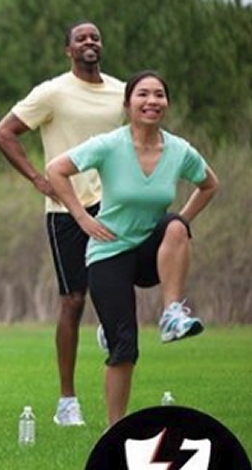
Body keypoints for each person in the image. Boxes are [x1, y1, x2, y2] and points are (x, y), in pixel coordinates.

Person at [47, 70, 216, 425]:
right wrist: (81, 217)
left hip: (152, 254)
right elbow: (56, 169)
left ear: (166, 104)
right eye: (143, 94)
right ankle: (116, 431)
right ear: (127, 105)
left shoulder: (179, 150)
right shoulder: (109, 145)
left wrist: (181, 223)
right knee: (125, 346)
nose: (152, 101)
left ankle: (172, 313)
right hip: (109, 252)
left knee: (175, 225)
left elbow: (209, 185)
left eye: (159, 95)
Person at [0, 20, 124, 427]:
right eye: (81, 38)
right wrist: (37, 179)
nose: (89, 42)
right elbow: (3, 133)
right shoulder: (53, 92)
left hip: (114, 206)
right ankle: (67, 401)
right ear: (69, 50)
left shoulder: (122, 93)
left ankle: (109, 327)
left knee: (116, 288)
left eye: (95, 36)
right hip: (66, 209)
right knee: (73, 300)